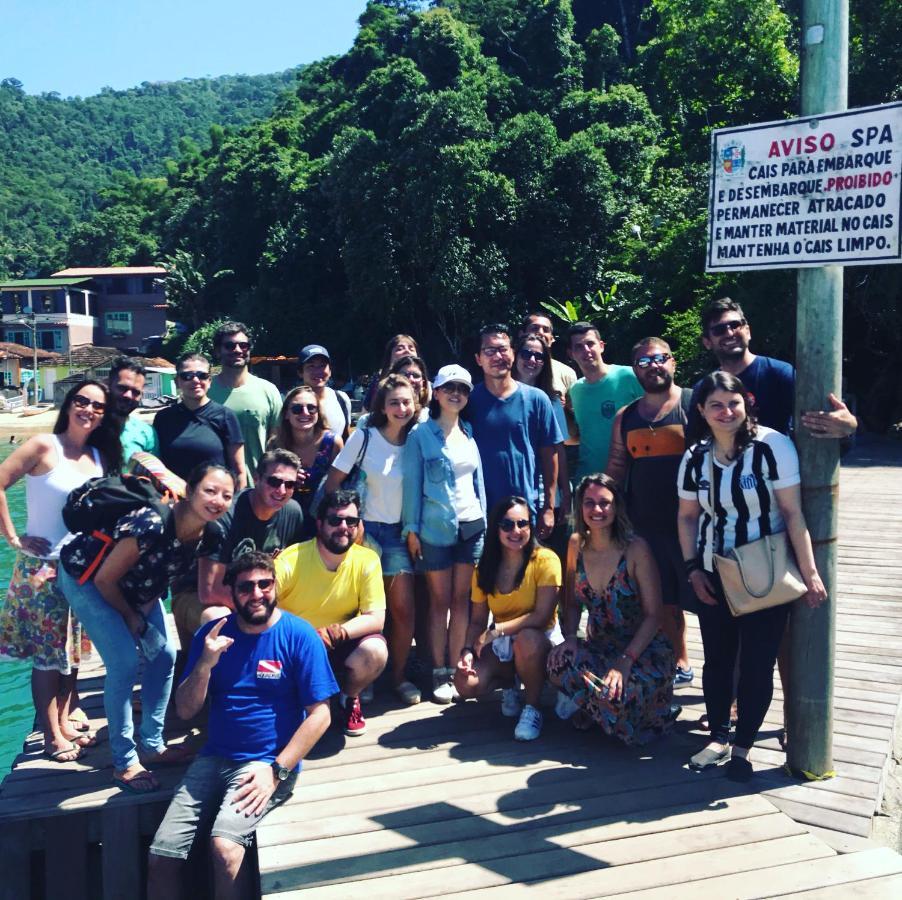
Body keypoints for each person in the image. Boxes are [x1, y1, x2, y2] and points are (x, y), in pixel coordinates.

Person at [147, 551, 336, 899]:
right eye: (246, 586)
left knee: (225, 848)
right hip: (213, 756)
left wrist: (276, 769)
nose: (257, 593)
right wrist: (204, 662)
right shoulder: (212, 635)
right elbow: (186, 711)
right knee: (161, 855)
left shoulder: (299, 635)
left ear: (275, 586)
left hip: (265, 762)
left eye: (265, 584)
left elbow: (320, 714)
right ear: (231, 591)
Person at [677, 372, 827, 782]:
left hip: (766, 569)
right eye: (716, 405)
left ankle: (743, 747)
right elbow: (688, 516)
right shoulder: (695, 457)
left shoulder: (772, 445)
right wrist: (692, 569)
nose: (727, 412)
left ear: (747, 403)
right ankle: (718, 737)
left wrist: (810, 573)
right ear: (702, 411)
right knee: (719, 660)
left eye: (733, 403)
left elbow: (793, 513)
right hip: (713, 570)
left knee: (759, 662)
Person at [59, 464, 235, 792]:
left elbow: (194, 581)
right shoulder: (152, 523)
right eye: (210, 491)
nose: (218, 501)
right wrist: (132, 618)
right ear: (191, 488)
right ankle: (124, 762)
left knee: (165, 656)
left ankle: (152, 746)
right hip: (87, 579)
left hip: (139, 587)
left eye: (227, 495)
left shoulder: (211, 532)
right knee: (124, 663)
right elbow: (105, 579)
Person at [0, 381, 119, 762]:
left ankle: (66, 720)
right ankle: (52, 735)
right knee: (48, 657)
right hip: (43, 569)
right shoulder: (42, 446)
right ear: (69, 404)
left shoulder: (98, 455)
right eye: (82, 401)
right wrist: (14, 538)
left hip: (81, 569)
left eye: (97, 405)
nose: (88, 409)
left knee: (71, 654)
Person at [547, 475, 676, 744]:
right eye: (589, 503)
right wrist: (570, 637)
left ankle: (606, 711)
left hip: (643, 652)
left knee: (620, 694)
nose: (596, 510)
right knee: (556, 664)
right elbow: (570, 603)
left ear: (617, 507)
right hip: (600, 647)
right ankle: (605, 712)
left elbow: (654, 616)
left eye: (604, 503)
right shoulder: (575, 545)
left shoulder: (635, 549)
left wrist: (625, 661)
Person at [324, 373, 420, 704]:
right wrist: (350, 524)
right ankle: (364, 678)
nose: (401, 408)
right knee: (360, 609)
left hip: (398, 533)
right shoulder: (364, 437)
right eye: (394, 402)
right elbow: (332, 483)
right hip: (363, 531)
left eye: (407, 401)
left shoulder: (418, 440)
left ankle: (398, 677)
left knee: (404, 610)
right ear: (382, 405)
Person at [605, 337, 695, 684]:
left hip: (696, 525)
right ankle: (680, 662)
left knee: (714, 606)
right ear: (635, 371)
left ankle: (728, 695)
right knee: (665, 602)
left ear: (673, 363)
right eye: (644, 362)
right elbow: (616, 467)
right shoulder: (625, 417)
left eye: (660, 358)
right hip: (646, 526)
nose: (653, 366)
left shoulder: (693, 403)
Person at [402, 364, 487, 704]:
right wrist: (411, 529)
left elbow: (477, 483)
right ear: (436, 392)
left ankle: (456, 668)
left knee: (461, 600)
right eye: (449, 387)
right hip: (435, 529)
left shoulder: (468, 431)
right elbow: (412, 486)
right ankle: (438, 670)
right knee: (439, 602)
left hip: (472, 525)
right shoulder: (420, 435)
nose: (457, 394)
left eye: (463, 389)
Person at [275, 490, 388, 736]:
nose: (344, 527)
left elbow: (376, 618)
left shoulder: (368, 559)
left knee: (376, 650)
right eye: (335, 520)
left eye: (351, 521)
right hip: (294, 648)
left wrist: (332, 634)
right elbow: (263, 606)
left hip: (338, 643)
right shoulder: (290, 559)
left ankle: (349, 698)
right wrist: (302, 638)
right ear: (319, 523)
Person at [171, 449, 310, 649]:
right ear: (257, 478)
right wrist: (262, 610)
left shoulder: (293, 513)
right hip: (195, 594)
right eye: (274, 481)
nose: (281, 490)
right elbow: (209, 591)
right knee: (220, 619)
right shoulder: (227, 515)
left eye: (290, 484)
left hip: (255, 596)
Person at [454, 496, 562, 741]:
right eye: (507, 525)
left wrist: (497, 630)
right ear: (496, 528)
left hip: (541, 638)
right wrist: (467, 650)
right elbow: (478, 621)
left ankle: (533, 706)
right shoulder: (485, 568)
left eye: (522, 524)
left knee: (526, 640)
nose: (516, 531)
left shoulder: (546, 559)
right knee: (465, 682)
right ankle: (512, 684)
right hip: (504, 641)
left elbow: (541, 616)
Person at [695, 297, 857, 439]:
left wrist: (848, 427)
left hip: (778, 471)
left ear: (748, 331)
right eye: (719, 330)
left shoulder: (780, 374)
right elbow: (695, 441)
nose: (729, 333)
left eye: (735, 325)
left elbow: (821, 424)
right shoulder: (703, 389)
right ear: (707, 342)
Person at [468, 324, 563, 542]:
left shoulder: (537, 399)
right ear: (478, 359)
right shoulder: (468, 402)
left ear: (513, 352)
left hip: (525, 512)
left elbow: (551, 455)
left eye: (503, 349)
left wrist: (548, 508)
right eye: (489, 351)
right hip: (481, 513)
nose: (497, 356)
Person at [512, 333, 571, 555]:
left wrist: (566, 492)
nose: (532, 360)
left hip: (547, 495)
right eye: (526, 354)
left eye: (539, 356)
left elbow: (559, 451)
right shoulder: (497, 395)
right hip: (513, 495)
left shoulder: (553, 400)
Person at [154, 352, 247, 489]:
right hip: (174, 504)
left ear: (209, 381)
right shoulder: (163, 418)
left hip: (214, 503)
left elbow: (239, 473)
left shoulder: (226, 416)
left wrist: (231, 506)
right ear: (177, 382)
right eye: (187, 376)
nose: (196, 380)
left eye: (202, 376)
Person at [566, 322, 644, 482]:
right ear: (571, 353)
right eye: (579, 347)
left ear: (601, 346)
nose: (586, 350)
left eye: (590, 344)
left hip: (629, 479)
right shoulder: (575, 391)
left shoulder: (629, 376)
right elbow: (579, 436)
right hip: (587, 481)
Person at [208, 321, 283, 482]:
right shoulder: (205, 392)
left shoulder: (268, 391)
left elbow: (277, 441)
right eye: (230, 346)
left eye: (244, 345)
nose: (238, 350)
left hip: (259, 489)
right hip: (215, 490)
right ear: (217, 351)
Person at [268, 385, 343, 520]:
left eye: (311, 408)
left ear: (318, 413)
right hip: (284, 518)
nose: (305, 413)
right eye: (297, 409)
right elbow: (266, 484)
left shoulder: (333, 443)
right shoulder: (275, 445)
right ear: (286, 414)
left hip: (323, 519)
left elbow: (341, 487)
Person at [108, 356, 158, 462]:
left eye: (136, 392)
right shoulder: (89, 425)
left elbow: (153, 474)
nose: (128, 395)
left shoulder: (147, 432)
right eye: (122, 388)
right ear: (108, 385)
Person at [298, 344, 352, 440]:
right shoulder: (293, 403)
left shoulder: (341, 399)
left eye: (322, 366)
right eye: (311, 366)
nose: (318, 371)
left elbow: (346, 438)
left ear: (330, 371)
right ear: (300, 372)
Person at [520, 312, 577, 400]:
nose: (540, 333)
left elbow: (574, 409)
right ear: (521, 334)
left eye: (546, 330)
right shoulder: (508, 368)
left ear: (552, 339)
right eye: (534, 328)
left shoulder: (567, 373)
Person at [363, 334, 420, 411]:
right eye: (400, 349)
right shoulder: (379, 381)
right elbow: (366, 411)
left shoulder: (426, 385)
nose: (407, 351)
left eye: (411, 348)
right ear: (390, 357)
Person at [389, 354, 431, 421]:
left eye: (416, 375)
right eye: (404, 375)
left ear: (423, 382)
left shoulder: (431, 419)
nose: (411, 379)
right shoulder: (370, 424)